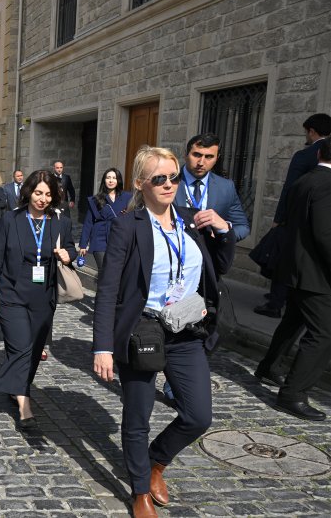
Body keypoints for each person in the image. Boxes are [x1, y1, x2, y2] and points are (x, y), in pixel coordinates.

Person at [92, 146, 235, 518]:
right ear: (141, 183)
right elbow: (107, 289)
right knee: (137, 417)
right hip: (144, 331)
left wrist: (224, 230)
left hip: (186, 330)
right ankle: (140, 489)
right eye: (159, 179)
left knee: (198, 416)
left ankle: (156, 460)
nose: (169, 184)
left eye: (173, 177)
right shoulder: (128, 225)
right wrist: (102, 346)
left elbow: (219, 266)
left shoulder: (190, 220)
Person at [0, 170, 76, 428]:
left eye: (48, 194)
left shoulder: (59, 222)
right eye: (38, 193)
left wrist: (68, 254)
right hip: (11, 292)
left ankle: (16, 387)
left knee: (34, 349)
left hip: (43, 295)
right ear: (28, 192)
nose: (42, 199)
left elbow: (71, 248)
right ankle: (24, 404)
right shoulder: (10, 219)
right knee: (21, 345)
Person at [258, 137, 330, 421]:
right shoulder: (326, 184)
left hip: (296, 268)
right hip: (316, 273)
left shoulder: (304, 180)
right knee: (323, 334)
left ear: (319, 153)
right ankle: (293, 394)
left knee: (293, 321)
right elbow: (324, 233)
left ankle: (270, 366)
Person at [254, 113, 330, 318]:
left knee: (283, 258)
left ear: (312, 131)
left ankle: (275, 303)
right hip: (323, 220)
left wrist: (278, 219)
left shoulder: (305, 155)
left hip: (296, 218)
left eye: (306, 132)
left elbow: (289, 189)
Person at [173, 133, 250, 241]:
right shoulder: (168, 181)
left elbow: (242, 227)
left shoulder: (226, 187)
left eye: (209, 157)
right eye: (197, 155)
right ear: (186, 154)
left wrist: (224, 229)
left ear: (217, 158)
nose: (201, 162)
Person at [79, 168, 133, 271]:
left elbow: (134, 214)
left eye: (114, 178)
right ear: (104, 180)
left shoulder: (127, 197)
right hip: (100, 238)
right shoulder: (96, 199)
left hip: (119, 238)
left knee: (117, 271)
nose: (111, 180)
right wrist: (83, 245)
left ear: (118, 180)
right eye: (108, 178)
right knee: (104, 270)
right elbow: (88, 223)